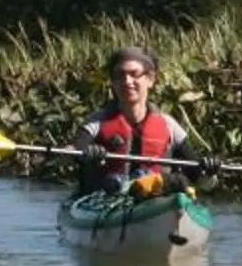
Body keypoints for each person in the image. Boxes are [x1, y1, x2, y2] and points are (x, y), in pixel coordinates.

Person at [73, 46, 214, 196]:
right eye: (120, 75)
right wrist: (87, 155)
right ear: (113, 82)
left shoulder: (169, 125)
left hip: (154, 196)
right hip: (104, 195)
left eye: (134, 74)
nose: (127, 81)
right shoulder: (94, 123)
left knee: (179, 181)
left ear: (150, 79)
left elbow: (201, 179)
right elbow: (69, 155)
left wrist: (210, 170)